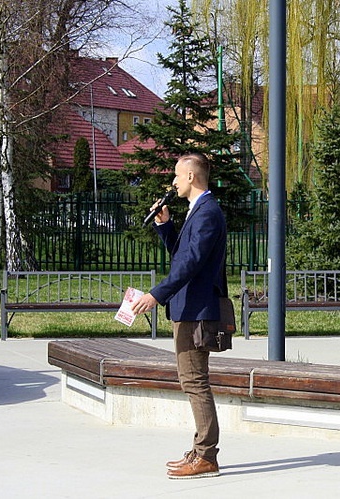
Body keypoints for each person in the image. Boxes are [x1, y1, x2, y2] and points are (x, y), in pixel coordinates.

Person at [131, 153, 227, 480]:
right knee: (192, 380)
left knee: (195, 381)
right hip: (188, 309)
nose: (173, 182)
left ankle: (205, 455)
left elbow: (190, 265)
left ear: (190, 177)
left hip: (196, 312)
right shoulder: (197, 212)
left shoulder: (208, 213)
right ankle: (202, 451)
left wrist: (156, 294)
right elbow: (183, 256)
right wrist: (165, 226)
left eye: (176, 176)